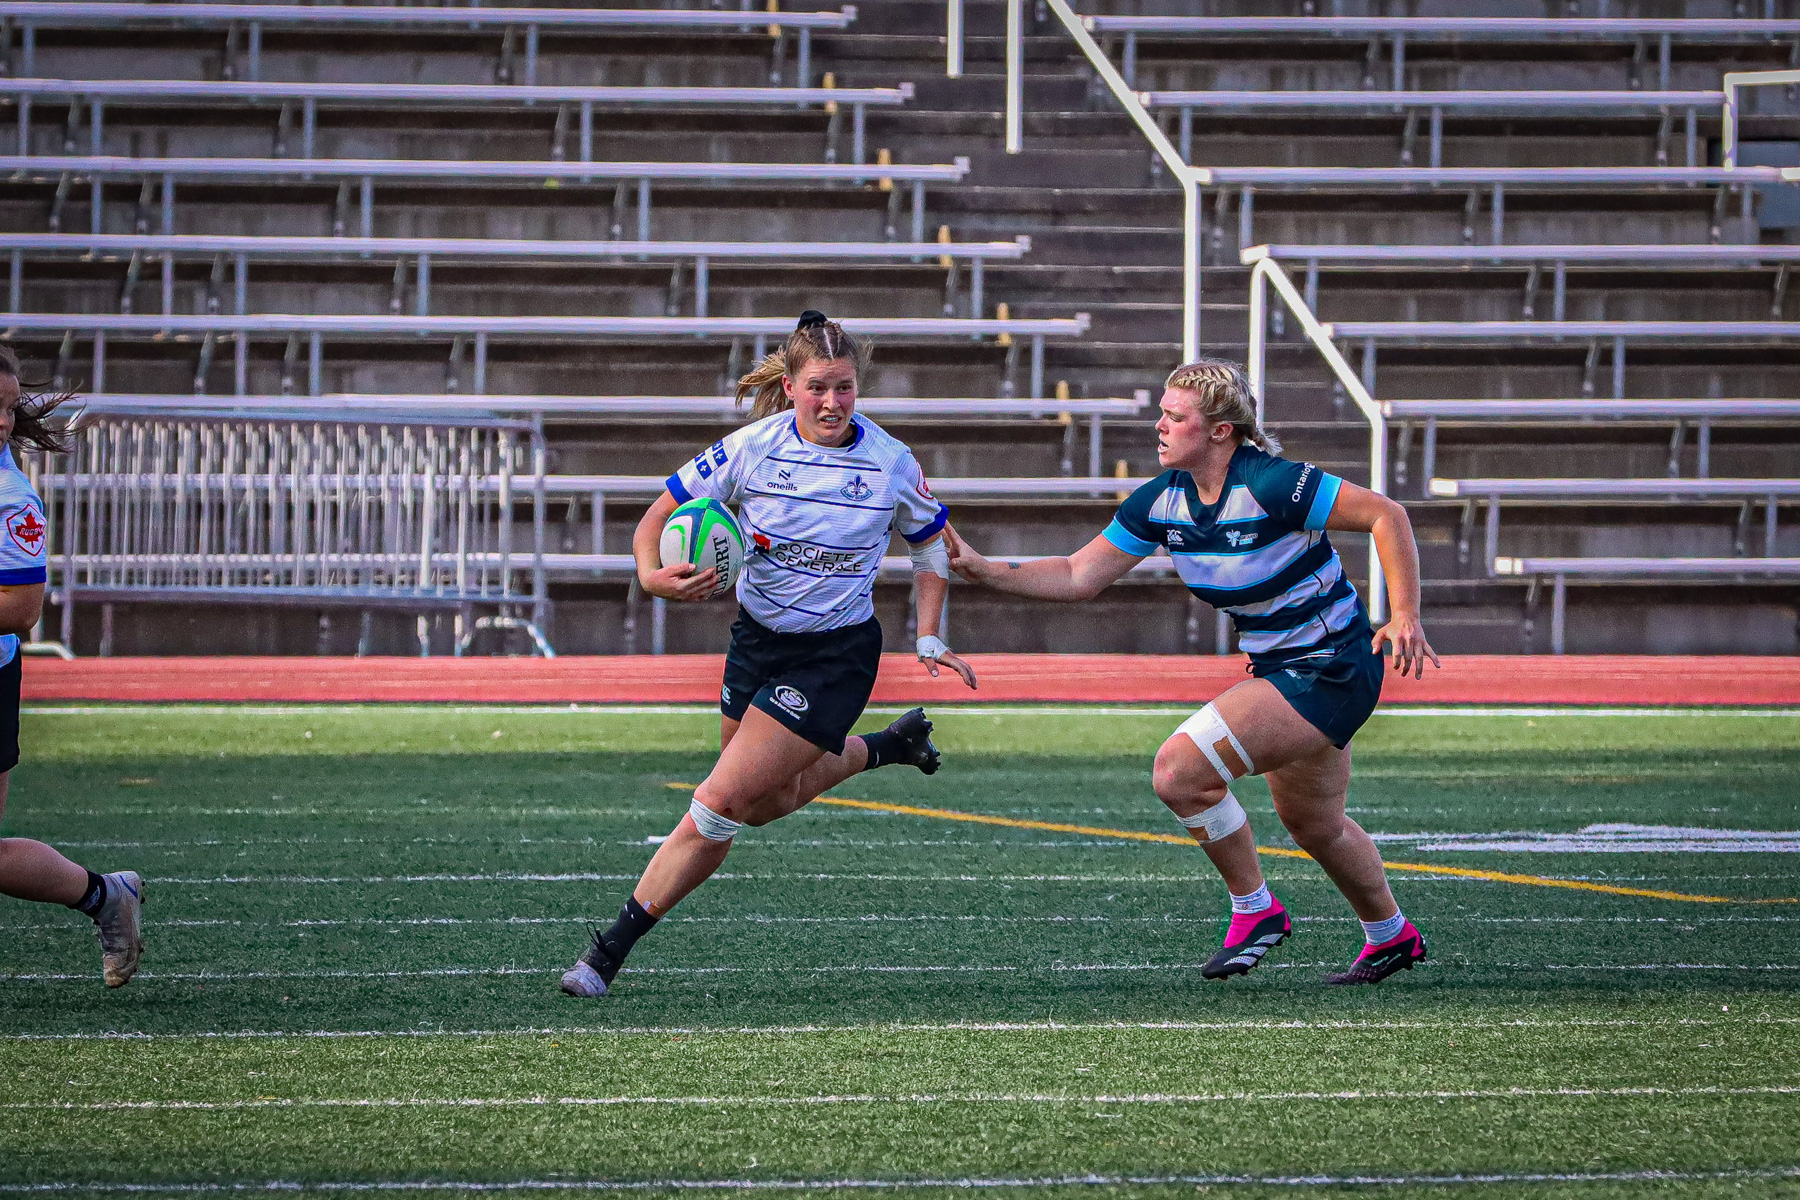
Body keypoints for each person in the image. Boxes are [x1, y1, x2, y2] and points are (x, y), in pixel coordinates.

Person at [946, 359, 1440, 986]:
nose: (1159, 425)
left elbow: (1386, 515)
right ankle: (1391, 934)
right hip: (1283, 666)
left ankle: (1255, 910)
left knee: (1180, 771)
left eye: (1175, 416)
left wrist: (1404, 616)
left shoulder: (1272, 483)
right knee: (1315, 824)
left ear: (1220, 431)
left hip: (1332, 666)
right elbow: (1079, 574)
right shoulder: (1163, 500)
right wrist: (983, 568)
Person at [561, 311, 978, 997]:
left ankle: (605, 954)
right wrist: (649, 574)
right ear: (789, 387)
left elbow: (931, 543)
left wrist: (928, 632)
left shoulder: (890, 462)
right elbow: (655, 518)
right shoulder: (750, 448)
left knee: (719, 801)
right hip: (757, 643)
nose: (833, 403)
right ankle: (890, 746)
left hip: (836, 655)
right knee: (760, 803)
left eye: (844, 388)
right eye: (818, 387)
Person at [0, 347, 144, 987]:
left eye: (7, 409)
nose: (4, 424)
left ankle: (103, 896)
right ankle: (105, 896)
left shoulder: (8, 497)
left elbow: (21, 610)